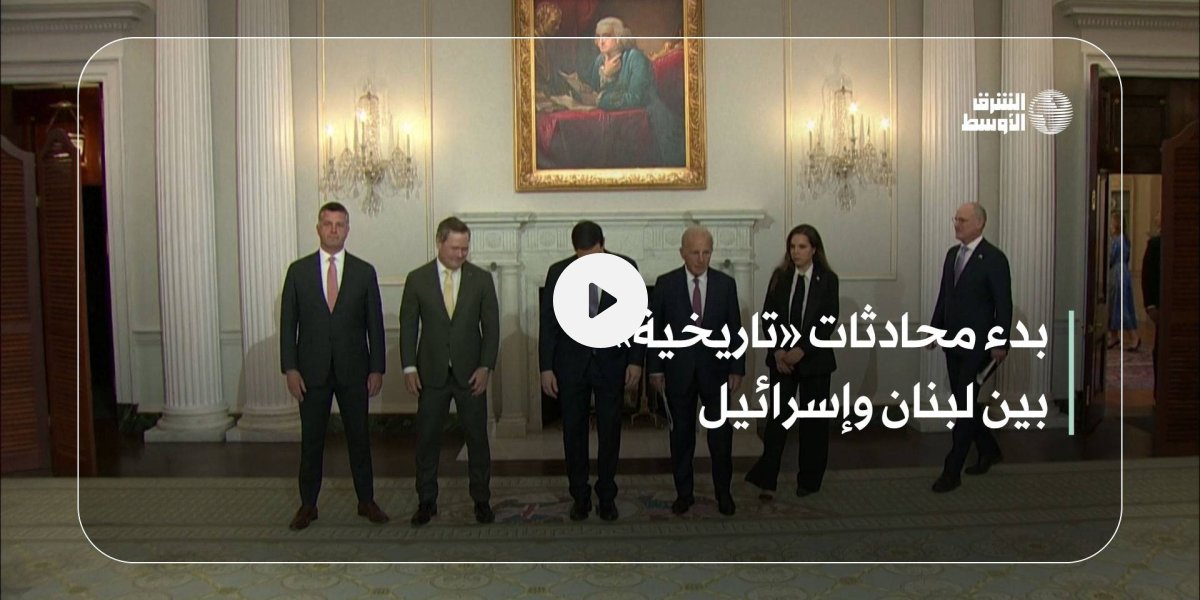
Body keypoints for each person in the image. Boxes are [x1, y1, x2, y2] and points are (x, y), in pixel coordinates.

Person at [280, 201, 388, 530]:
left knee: (359, 438)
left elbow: (375, 324)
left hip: (354, 370)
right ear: (318, 228)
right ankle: (308, 505)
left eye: (339, 224)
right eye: (328, 224)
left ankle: (366, 500)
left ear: (347, 230)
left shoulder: (363, 272)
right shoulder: (298, 272)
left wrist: (377, 368)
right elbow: (288, 324)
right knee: (312, 440)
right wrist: (290, 368)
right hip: (311, 372)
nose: (333, 230)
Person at [540, 221, 644, 522]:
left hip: (612, 363)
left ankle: (607, 496)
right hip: (571, 366)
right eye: (582, 257)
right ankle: (580, 496)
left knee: (610, 432)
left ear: (603, 244)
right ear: (575, 251)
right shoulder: (558, 272)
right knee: (573, 433)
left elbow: (639, 319)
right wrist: (546, 368)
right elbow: (548, 323)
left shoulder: (626, 267)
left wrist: (635, 361)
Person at [400, 217, 500, 526]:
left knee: (477, 440)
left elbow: (492, 328)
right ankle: (426, 501)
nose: (461, 254)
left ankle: (481, 500)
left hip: (471, 374)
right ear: (439, 243)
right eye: (455, 248)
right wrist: (409, 366)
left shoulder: (481, 279)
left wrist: (486, 366)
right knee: (427, 440)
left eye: (465, 248)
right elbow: (408, 327)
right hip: (431, 374)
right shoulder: (417, 279)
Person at [648, 226, 745, 516]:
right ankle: (684, 493)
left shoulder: (725, 284)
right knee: (681, 438)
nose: (701, 259)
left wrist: (737, 367)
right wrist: (655, 369)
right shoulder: (665, 284)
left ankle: (723, 493)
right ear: (682, 253)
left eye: (706, 252)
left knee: (721, 438)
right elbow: (655, 329)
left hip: (716, 372)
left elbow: (735, 329)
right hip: (677, 372)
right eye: (695, 253)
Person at [745, 225, 840, 501]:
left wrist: (802, 350)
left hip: (815, 361)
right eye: (792, 247)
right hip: (782, 361)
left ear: (814, 249)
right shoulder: (781, 277)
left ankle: (809, 480)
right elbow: (769, 317)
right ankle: (768, 479)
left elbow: (828, 319)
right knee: (777, 421)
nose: (796, 252)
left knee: (813, 424)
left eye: (802, 247)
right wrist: (778, 351)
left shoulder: (827, 279)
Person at [930, 202, 1012, 493]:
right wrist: (935, 329)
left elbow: (1003, 304)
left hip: (979, 346)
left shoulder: (994, 258)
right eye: (955, 219)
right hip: (953, 343)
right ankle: (989, 449)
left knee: (964, 407)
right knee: (963, 403)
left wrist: (1000, 342)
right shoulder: (952, 255)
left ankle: (952, 470)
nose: (957, 224)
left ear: (979, 223)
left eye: (962, 220)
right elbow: (945, 296)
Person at [582, 16, 685, 166]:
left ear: (619, 38)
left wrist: (600, 98)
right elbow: (593, 91)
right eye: (598, 36)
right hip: (618, 124)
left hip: (651, 124)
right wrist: (595, 83)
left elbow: (635, 98)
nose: (601, 41)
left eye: (606, 36)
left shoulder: (635, 58)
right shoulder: (599, 61)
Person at [1108, 216, 1141, 351]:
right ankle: (1114, 336)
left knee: (1121, 305)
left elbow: (1111, 257)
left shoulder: (1118, 241)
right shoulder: (1122, 239)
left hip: (1118, 274)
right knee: (1115, 305)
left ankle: (1134, 337)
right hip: (1121, 272)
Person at [1141, 217, 1161, 396]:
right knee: (1160, 351)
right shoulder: (1155, 245)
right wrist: (1150, 305)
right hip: (1161, 309)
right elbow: (1147, 276)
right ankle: (1158, 394)